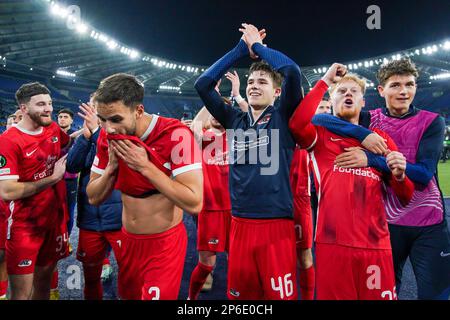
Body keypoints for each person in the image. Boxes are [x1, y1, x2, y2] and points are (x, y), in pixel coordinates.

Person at [313, 58, 450, 300]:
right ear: (381, 90)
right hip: (388, 222)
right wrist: (362, 133)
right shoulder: (371, 119)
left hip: (428, 221)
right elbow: (322, 118)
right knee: (386, 291)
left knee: (435, 294)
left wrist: (373, 160)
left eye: (410, 85)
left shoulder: (432, 121)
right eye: (395, 85)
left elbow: (425, 173)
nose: (404, 91)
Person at [289, 63, 415, 300]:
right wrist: (325, 80)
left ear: (363, 101)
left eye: (353, 92)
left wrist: (399, 175)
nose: (347, 94)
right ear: (331, 99)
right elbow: (296, 123)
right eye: (341, 91)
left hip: (376, 244)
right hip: (333, 243)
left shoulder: (381, 140)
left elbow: (405, 197)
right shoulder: (320, 134)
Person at [195, 24, 303, 300]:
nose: (254, 87)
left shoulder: (284, 117)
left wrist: (259, 48)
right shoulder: (235, 120)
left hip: (275, 227)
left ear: (277, 92)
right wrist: (240, 50)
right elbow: (203, 85)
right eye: (251, 82)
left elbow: (292, 71)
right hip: (239, 224)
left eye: (262, 83)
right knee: (240, 299)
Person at [86, 73, 203, 300]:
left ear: (138, 111)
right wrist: (111, 169)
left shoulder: (176, 134)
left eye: (116, 119)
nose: (108, 128)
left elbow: (194, 201)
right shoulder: (107, 136)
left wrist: (145, 167)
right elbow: (93, 196)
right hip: (127, 241)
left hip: (164, 245)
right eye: (102, 119)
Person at [0, 82, 70, 300]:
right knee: (21, 295)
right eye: (41, 104)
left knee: (44, 286)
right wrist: (53, 179)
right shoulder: (7, 141)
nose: (48, 109)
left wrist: (90, 133)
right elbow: (8, 191)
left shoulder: (52, 128)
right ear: (23, 108)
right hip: (25, 227)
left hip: (54, 221)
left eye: (50, 103)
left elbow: (69, 144)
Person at [66, 96, 123, 300]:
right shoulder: (87, 136)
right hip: (89, 218)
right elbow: (72, 166)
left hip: (118, 218)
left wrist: (97, 133)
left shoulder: (122, 132)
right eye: (92, 105)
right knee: (90, 277)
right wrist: (85, 137)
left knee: (128, 276)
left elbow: (113, 157)